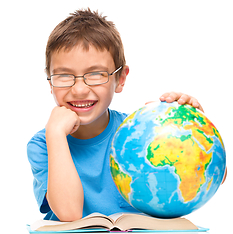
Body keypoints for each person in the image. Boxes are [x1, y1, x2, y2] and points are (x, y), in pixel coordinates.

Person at [27, 9, 225, 222]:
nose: (79, 90)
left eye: (95, 74)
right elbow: (70, 213)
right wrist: (56, 133)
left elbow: (217, 178)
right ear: (50, 81)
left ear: (120, 79)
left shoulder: (141, 132)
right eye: (64, 76)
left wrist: (197, 134)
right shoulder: (43, 144)